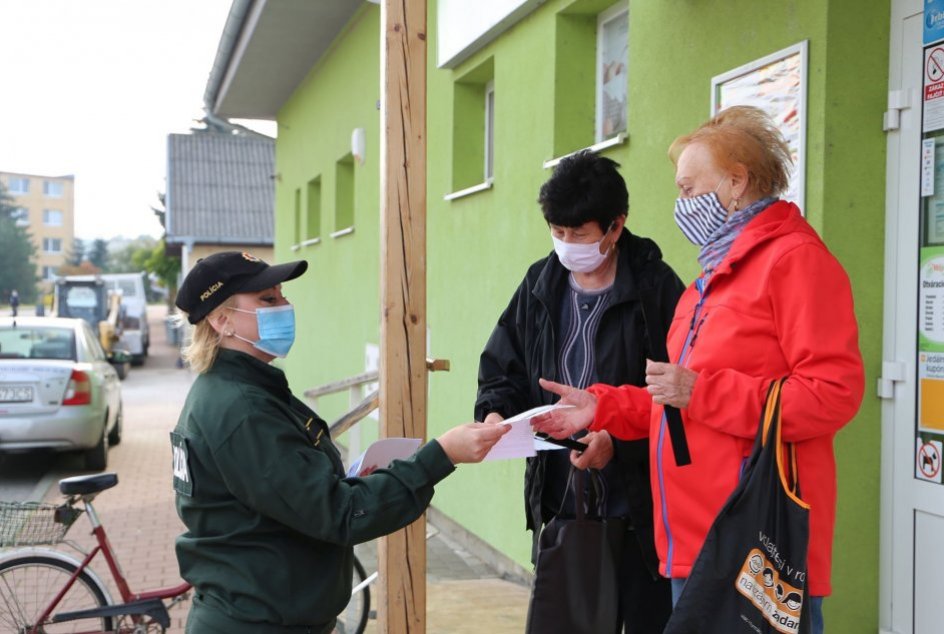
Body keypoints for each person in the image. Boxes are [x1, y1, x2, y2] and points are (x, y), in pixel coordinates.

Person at [532, 106, 864, 634]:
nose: (680, 204)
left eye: (689, 189)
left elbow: (832, 394)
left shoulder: (795, 261)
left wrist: (701, 391)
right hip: (696, 543)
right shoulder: (712, 275)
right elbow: (676, 402)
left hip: (753, 545)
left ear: (736, 182)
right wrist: (603, 406)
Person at [170, 251, 509, 634]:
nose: (285, 306)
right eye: (268, 299)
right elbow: (339, 513)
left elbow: (290, 496)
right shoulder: (242, 408)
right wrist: (442, 455)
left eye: (282, 295)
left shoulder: (237, 390)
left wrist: (350, 479)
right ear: (222, 320)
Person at [476, 150, 683, 632]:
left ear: (615, 227)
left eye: (579, 234)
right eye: (558, 232)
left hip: (643, 513)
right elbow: (502, 365)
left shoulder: (656, 288)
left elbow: (681, 394)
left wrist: (620, 440)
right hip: (564, 500)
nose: (566, 245)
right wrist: (493, 414)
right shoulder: (540, 283)